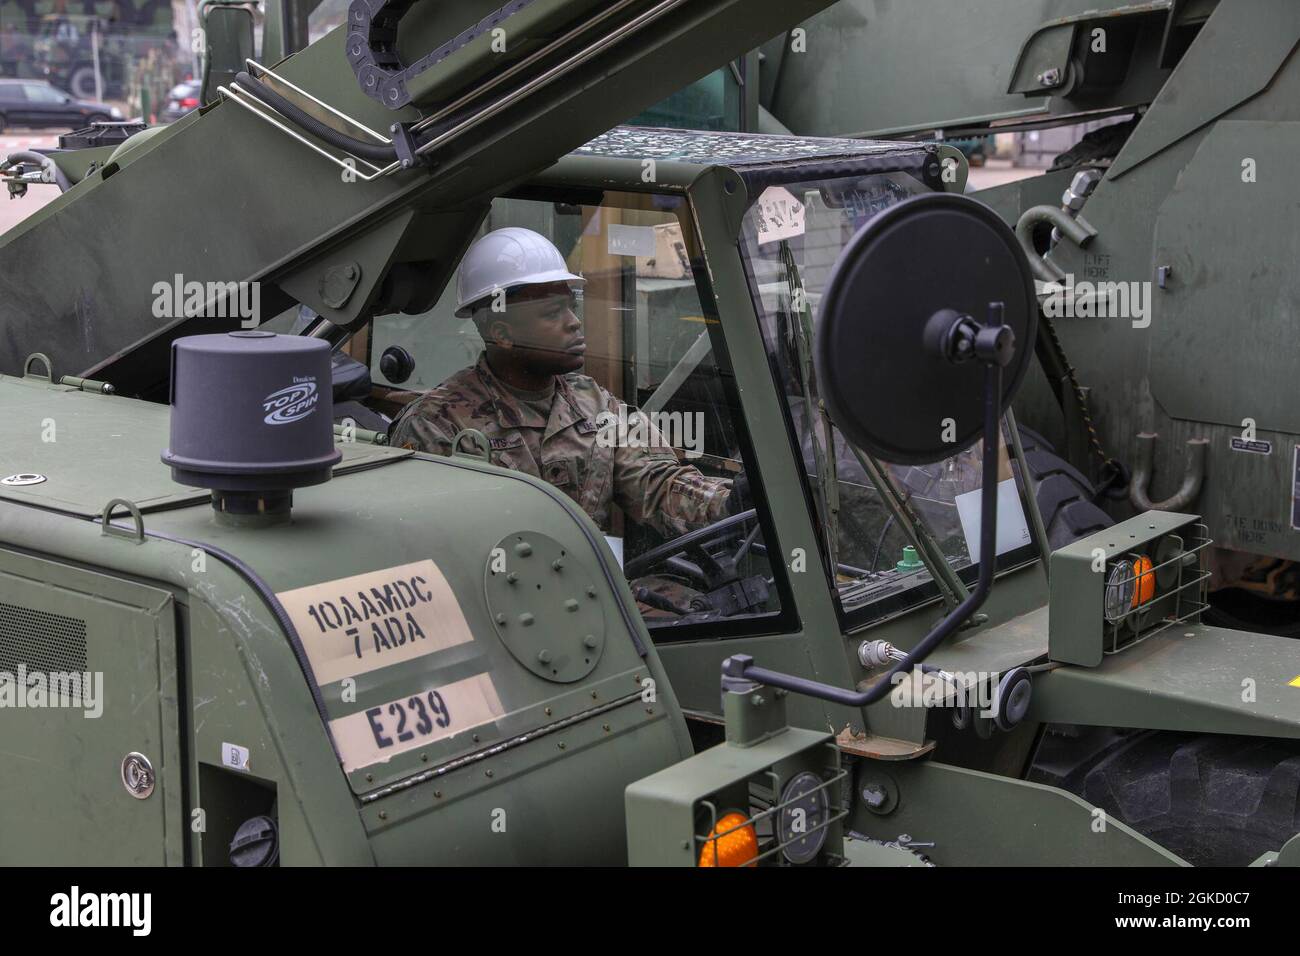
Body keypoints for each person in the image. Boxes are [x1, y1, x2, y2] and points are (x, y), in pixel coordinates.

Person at [389, 227, 741, 539]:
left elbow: (656, 483)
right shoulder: (436, 425)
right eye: (552, 313)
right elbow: (426, 543)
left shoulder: (594, 403)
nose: (574, 323)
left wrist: (729, 501)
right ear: (503, 334)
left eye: (571, 307)